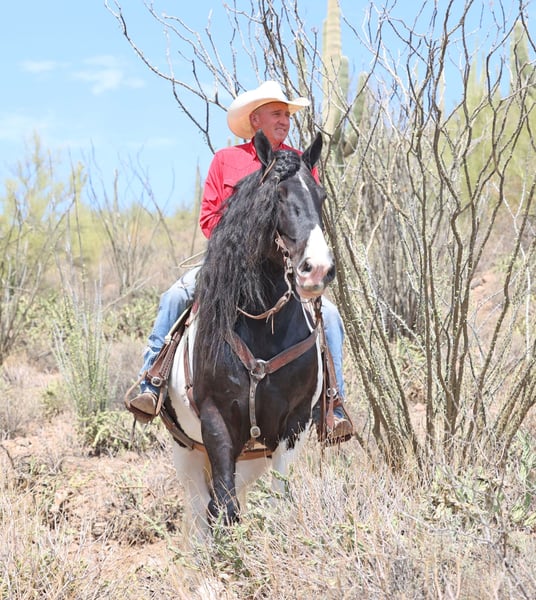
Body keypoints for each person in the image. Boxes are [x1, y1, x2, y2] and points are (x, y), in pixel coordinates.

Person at [126, 80, 353, 442]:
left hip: (284, 269)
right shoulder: (226, 160)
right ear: (255, 119)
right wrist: (244, 240)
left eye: (287, 115)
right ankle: (152, 380)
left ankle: (333, 405)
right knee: (175, 296)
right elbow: (208, 219)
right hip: (230, 266)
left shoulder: (299, 162)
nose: (284, 121)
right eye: (276, 113)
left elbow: (308, 217)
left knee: (331, 316)